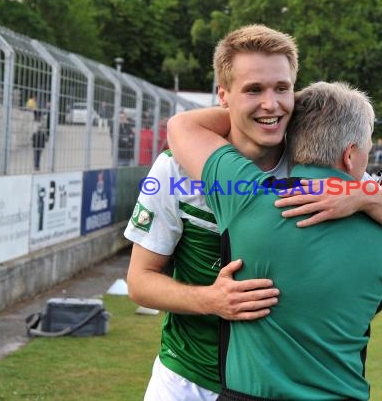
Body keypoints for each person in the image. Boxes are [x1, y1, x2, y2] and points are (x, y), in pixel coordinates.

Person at [173, 81, 382, 399]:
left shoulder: (248, 197)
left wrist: (265, 111)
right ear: (351, 155)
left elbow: (182, 125)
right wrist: (373, 200)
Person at [125, 24, 298, 401]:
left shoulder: (315, 166)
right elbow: (139, 281)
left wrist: (367, 198)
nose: (272, 104)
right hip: (186, 380)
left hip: (276, 386)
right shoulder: (172, 169)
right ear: (223, 95)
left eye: (282, 88)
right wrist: (212, 300)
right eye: (254, 90)